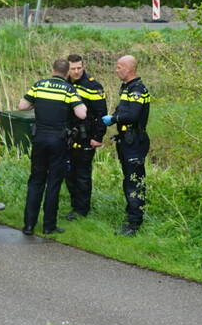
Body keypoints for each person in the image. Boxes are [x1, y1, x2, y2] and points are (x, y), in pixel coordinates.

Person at [17, 59, 86, 236]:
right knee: (53, 183)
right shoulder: (68, 89)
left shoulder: (39, 85)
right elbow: (81, 113)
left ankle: (29, 225)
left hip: (39, 139)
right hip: (58, 141)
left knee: (36, 181)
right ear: (67, 73)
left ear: (52, 70)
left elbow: (22, 106)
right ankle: (49, 226)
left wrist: (36, 104)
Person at [101, 55, 151, 236]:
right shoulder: (126, 87)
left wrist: (114, 119)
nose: (116, 70)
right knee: (128, 179)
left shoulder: (137, 89)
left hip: (135, 141)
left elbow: (133, 115)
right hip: (126, 140)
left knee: (134, 182)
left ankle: (134, 224)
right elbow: (123, 109)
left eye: (119, 67)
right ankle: (131, 215)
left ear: (129, 69)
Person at [64, 54, 107, 220]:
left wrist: (98, 137)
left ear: (83, 66)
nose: (76, 72)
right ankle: (74, 205)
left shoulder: (93, 86)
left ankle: (81, 210)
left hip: (86, 136)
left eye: (79, 68)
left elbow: (101, 114)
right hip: (68, 136)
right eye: (72, 69)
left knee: (82, 175)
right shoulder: (65, 83)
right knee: (69, 174)